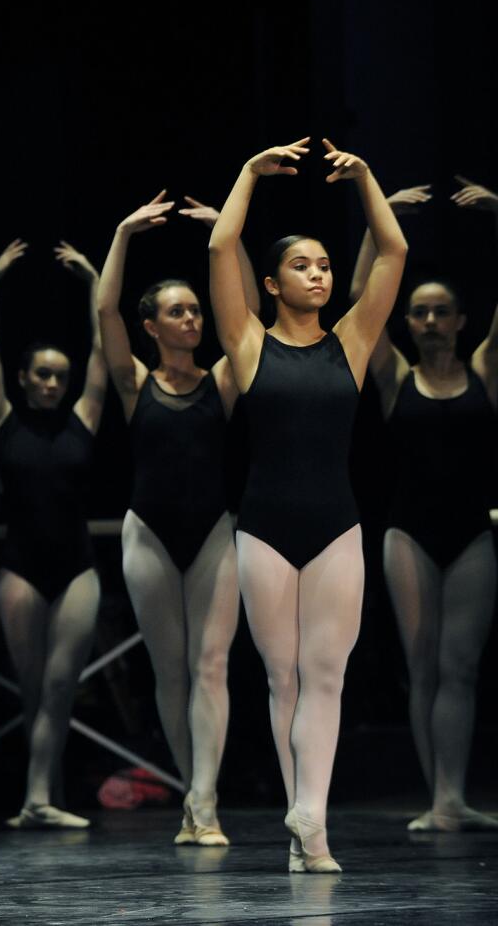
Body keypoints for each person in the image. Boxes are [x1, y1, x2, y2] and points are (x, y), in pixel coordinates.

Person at [208, 137, 407, 873]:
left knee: (327, 674)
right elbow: (221, 243)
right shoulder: (248, 343)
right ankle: (306, 828)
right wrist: (247, 172)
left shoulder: (351, 343)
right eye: (302, 264)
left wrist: (367, 179)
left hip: (337, 526)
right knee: (282, 677)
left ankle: (312, 825)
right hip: (263, 526)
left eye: (324, 265)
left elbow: (393, 253)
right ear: (271, 282)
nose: (318, 274)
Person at [93, 190, 257, 845]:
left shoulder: (223, 381)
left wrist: (230, 235)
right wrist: (123, 232)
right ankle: (195, 792)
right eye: (178, 312)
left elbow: (243, 308)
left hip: (215, 529)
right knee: (171, 668)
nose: (192, 319)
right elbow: (104, 307)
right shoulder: (134, 383)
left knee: (211, 664)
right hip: (150, 533)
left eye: (195, 310)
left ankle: (206, 799)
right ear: (152, 326)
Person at [347, 179, 498, 832]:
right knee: (423, 666)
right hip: (407, 532)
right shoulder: (394, 378)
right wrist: (376, 225)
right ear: (408, 323)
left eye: (441, 312)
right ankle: (436, 795)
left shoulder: (487, 370)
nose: (431, 321)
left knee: (460, 667)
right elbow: (360, 303)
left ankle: (452, 797)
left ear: (463, 320)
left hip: (472, 534)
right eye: (420, 313)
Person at [0, 238, 107, 830]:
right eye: (44, 376)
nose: (54, 384)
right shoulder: (4, 423)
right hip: (21, 564)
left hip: (76, 563)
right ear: (25, 379)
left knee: (60, 684)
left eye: (61, 375)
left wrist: (94, 278)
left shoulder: (84, 420)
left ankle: (36, 797)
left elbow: (104, 348)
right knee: (32, 688)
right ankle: (45, 793)